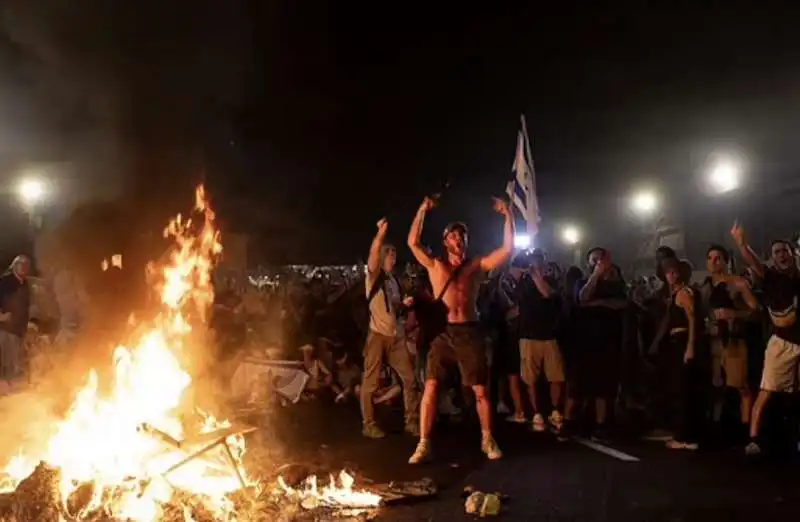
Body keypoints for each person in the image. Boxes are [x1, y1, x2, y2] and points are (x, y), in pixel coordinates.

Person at [406, 195, 514, 464]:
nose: (458, 239)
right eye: (453, 236)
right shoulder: (436, 265)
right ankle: (423, 443)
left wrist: (508, 215)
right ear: (446, 242)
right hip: (444, 333)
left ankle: (487, 438)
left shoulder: (475, 266)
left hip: (468, 331)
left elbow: (507, 250)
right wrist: (422, 210)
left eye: (462, 235)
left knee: (480, 390)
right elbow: (412, 243)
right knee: (430, 386)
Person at [731, 222, 800, 456]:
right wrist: (741, 244)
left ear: (793, 253)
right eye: (777, 252)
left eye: (785, 251)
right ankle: (754, 439)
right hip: (781, 343)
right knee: (767, 391)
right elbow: (754, 262)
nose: (782, 255)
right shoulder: (771, 277)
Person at [360, 218, 420, 438]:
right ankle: (368, 424)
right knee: (370, 382)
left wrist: (404, 305)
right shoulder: (374, 276)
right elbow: (372, 256)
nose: (393, 258)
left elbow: (393, 306)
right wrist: (380, 234)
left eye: (395, 255)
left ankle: (411, 421)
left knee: (410, 378)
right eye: (390, 254)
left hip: (396, 336)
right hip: (377, 335)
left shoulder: (394, 280)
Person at [698, 244, 758, 438]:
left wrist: (735, 314)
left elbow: (756, 311)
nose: (714, 262)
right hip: (712, 341)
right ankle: (716, 426)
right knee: (716, 386)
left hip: (734, 341)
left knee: (740, 385)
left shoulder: (738, 283)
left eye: (718, 258)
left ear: (725, 260)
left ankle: (746, 430)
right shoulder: (705, 286)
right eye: (710, 258)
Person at [575, 248, 627, 441]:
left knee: (608, 385)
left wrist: (599, 303)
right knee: (591, 385)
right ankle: (590, 422)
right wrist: (596, 275)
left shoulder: (616, 284)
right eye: (594, 259)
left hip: (611, 340)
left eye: (601, 259)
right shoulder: (583, 281)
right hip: (589, 340)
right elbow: (582, 298)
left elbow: (622, 303)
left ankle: (606, 423)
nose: (598, 262)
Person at [515, 249, 565, 432]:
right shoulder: (523, 283)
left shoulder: (551, 280)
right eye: (533, 262)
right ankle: (536, 413)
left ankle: (555, 410)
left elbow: (548, 293)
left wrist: (537, 275)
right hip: (528, 335)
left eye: (539, 261)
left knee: (556, 376)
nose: (536, 265)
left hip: (550, 335)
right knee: (530, 378)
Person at [662, 258, 706, 450]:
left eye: (675, 272)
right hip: (677, 342)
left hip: (683, 341)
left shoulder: (684, 293)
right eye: (669, 272)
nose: (671, 275)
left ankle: (685, 436)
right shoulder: (678, 293)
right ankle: (684, 433)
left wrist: (690, 346)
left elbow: (693, 320)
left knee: (684, 390)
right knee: (681, 388)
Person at [0, 256, 31, 393]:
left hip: (19, 330)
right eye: (20, 264)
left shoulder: (25, 283)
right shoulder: (5, 281)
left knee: (16, 362)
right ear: (14, 265)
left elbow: (26, 306)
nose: (23, 267)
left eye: (26, 265)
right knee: (9, 363)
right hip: (7, 330)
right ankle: (7, 394)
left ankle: (10, 391)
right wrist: (0, 316)